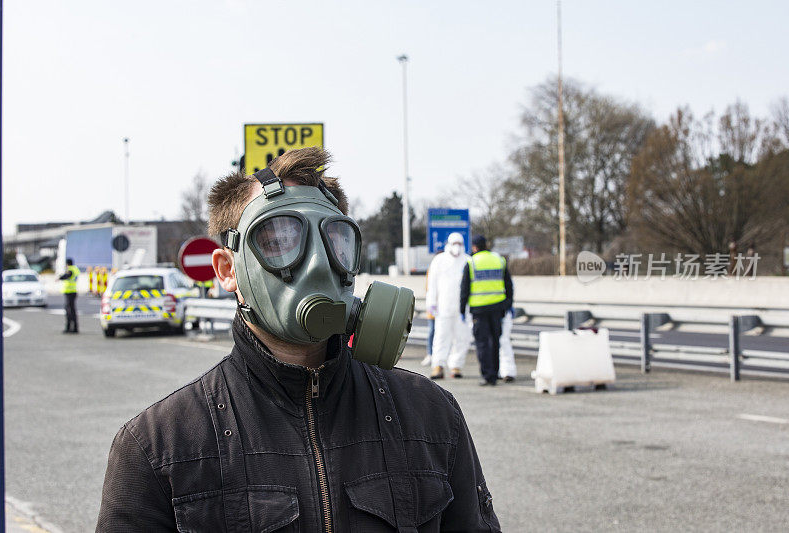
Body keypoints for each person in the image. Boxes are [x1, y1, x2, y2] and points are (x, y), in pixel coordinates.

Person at [96, 148, 501, 532]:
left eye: (335, 241)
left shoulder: (430, 415)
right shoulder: (158, 448)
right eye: (279, 240)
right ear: (227, 270)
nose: (319, 263)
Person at [460, 235, 513, 386]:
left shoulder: (471, 263)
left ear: (475, 247)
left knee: (482, 343)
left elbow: (465, 289)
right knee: (495, 341)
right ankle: (495, 374)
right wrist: (508, 304)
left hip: (479, 309)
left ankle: (487, 375)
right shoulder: (499, 260)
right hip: (497, 308)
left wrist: (462, 309)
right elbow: (508, 285)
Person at [427, 233, 471, 380]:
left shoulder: (468, 261)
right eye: (454, 243)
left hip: (463, 309)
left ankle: (456, 365)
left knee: (462, 338)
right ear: (449, 244)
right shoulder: (439, 260)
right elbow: (432, 284)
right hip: (443, 307)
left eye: (459, 243)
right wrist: (431, 303)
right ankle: (438, 365)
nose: (457, 246)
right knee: (441, 337)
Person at [59, 258, 80, 333]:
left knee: (69, 310)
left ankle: (69, 328)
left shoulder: (70, 269)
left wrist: (60, 277)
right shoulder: (75, 269)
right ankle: (75, 327)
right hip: (73, 292)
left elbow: (67, 275)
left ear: (67, 264)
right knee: (72, 310)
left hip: (69, 292)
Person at [498, 307, 517, 383]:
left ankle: (508, 372)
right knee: (492, 343)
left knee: (504, 341)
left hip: (503, 311)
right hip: (487, 311)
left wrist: (508, 305)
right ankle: (496, 370)